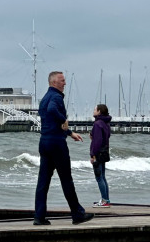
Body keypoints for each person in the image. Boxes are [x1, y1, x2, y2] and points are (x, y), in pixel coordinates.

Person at [33, 71, 94, 226]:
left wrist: (69, 132)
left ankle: (39, 217)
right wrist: (64, 119)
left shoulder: (44, 98)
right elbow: (53, 111)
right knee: (66, 179)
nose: (64, 83)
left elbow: (49, 118)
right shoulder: (56, 97)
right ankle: (77, 214)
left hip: (44, 142)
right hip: (56, 144)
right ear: (53, 82)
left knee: (43, 181)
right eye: (62, 80)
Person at [90, 103, 112, 207]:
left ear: (99, 111)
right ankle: (106, 200)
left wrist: (93, 155)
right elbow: (106, 136)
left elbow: (97, 141)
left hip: (98, 153)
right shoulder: (105, 123)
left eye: (95, 109)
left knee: (99, 177)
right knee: (103, 176)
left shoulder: (98, 123)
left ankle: (104, 201)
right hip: (104, 152)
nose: (93, 111)